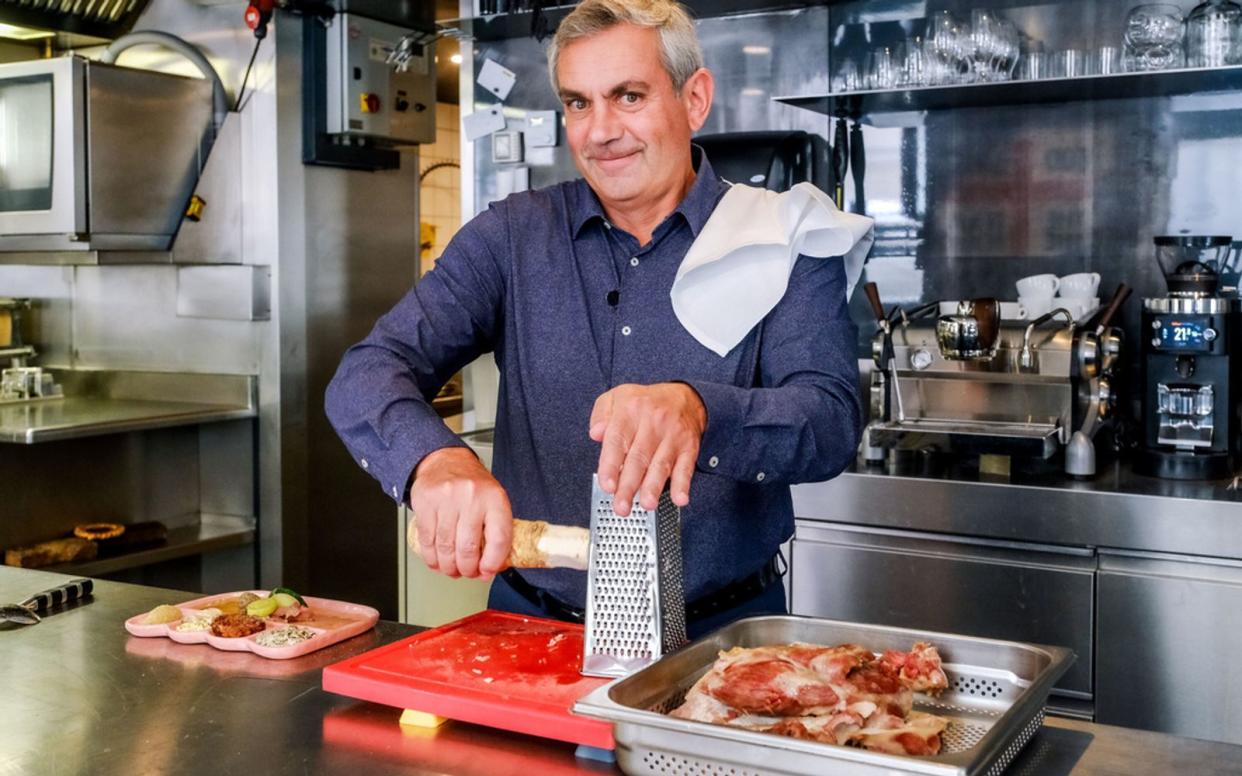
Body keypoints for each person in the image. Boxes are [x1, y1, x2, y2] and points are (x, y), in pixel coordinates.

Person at [325, 0, 862, 637]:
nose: (600, 131)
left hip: (724, 638)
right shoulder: (512, 237)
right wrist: (433, 462)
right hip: (530, 627)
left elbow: (829, 421)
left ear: (694, 100)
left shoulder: (785, 236)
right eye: (579, 103)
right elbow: (367, 371)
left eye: (628, 96)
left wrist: (702, 411)